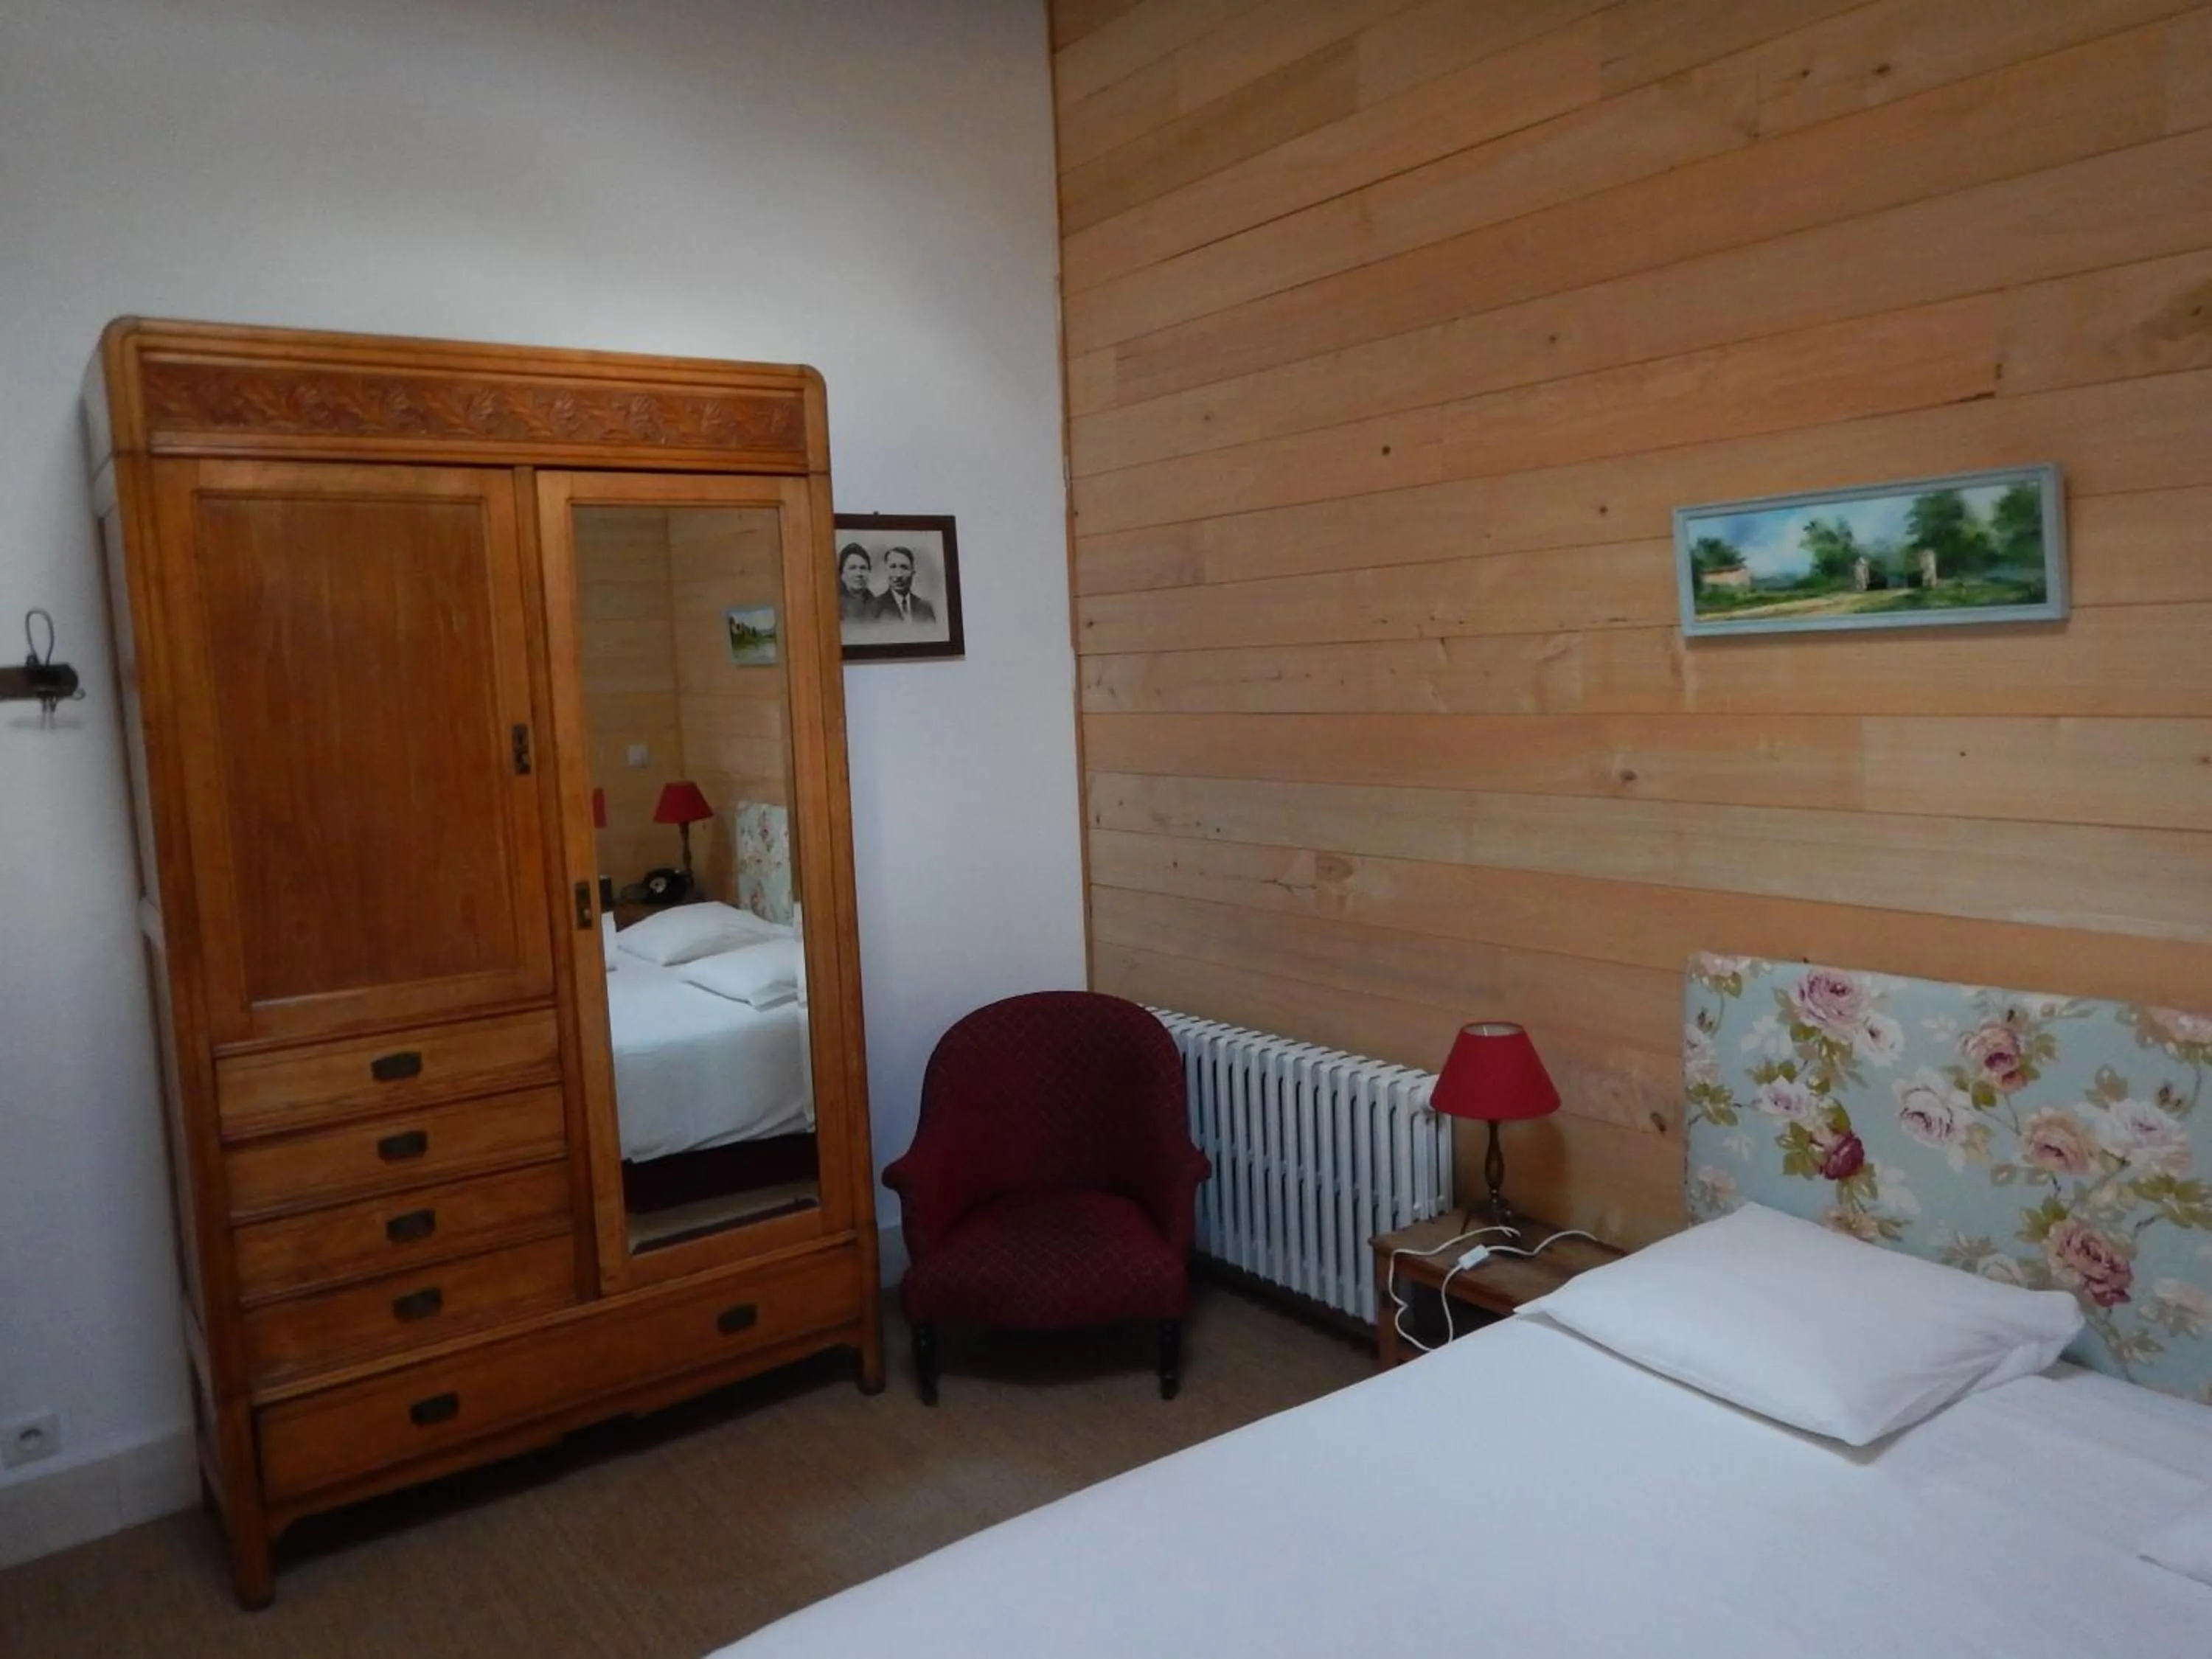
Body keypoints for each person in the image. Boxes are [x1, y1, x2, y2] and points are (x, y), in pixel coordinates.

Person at [872, 544, 936, 627]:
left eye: (904, 567)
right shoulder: (874, 608)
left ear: (913, 571)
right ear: (886, 570)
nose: (899, 575)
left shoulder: (926, 608)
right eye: (893, 567)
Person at [837, 543, 874, 625]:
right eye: (852, 568)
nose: (859, 574)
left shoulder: (877, 605)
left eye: (863, 568)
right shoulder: (834, 605)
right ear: (842, 574)